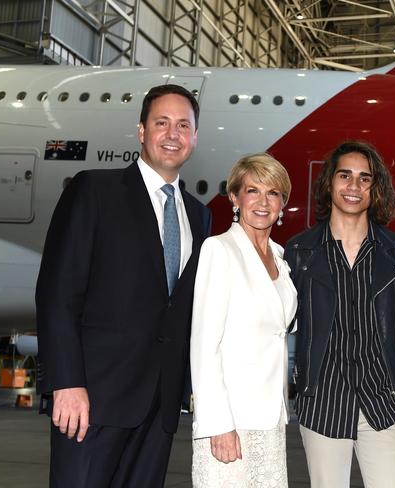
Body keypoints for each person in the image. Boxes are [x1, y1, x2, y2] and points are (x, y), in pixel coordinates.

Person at [35, 84, 212, 487]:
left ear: (195, 137)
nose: (172, 134)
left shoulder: (199, 218)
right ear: (141, 131)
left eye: (183, 125)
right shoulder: (95, 190)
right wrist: (65, 382)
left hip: (158, 409)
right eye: (162, 123)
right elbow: (57, 294)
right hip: (91, 400)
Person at [284, 140, 395, 488]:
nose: (354, 187)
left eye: (365, 178)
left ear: (376, 189)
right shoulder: (299, 251)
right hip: (323, 402)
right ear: (330, 183)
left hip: (382, 403)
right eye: (345, 176)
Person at [190, 153, 297, 488]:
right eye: (253, 191)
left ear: (282, 203)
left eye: (273, 193)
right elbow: (204, 344)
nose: (263, 202)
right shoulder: (219, 250)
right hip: (231, 420)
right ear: (235, 198)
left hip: (272, 418)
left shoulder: (281, 259)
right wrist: (217, 423)